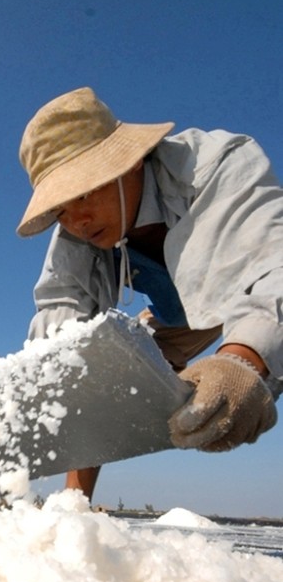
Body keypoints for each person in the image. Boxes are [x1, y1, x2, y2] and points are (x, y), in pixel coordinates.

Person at [17, 86, 282, 500]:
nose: (78, 220)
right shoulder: (73, 236)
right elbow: (62, 328)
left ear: (131, 160)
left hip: (236, 297)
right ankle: (74, 503)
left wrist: (244, 361)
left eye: (84, 192)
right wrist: (41, 390)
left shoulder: (213, 164)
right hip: (174, 319)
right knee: (101, 365)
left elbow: (271, 265)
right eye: (60, 210)